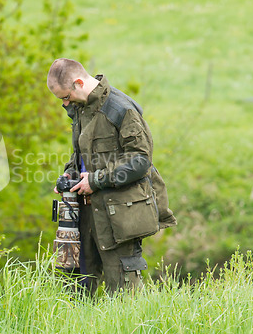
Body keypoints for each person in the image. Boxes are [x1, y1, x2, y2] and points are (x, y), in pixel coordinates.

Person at [48, 58, 177, 295]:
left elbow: (140, 160)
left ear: (78, 82)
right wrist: (71, 173)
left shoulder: (121, 109)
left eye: (65, 96)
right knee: (75, 290)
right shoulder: (81, 108)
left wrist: (95, 181)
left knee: (124, 294)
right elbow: (84, 152)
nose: (65, 103)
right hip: (85, 213)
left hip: (120, 216)